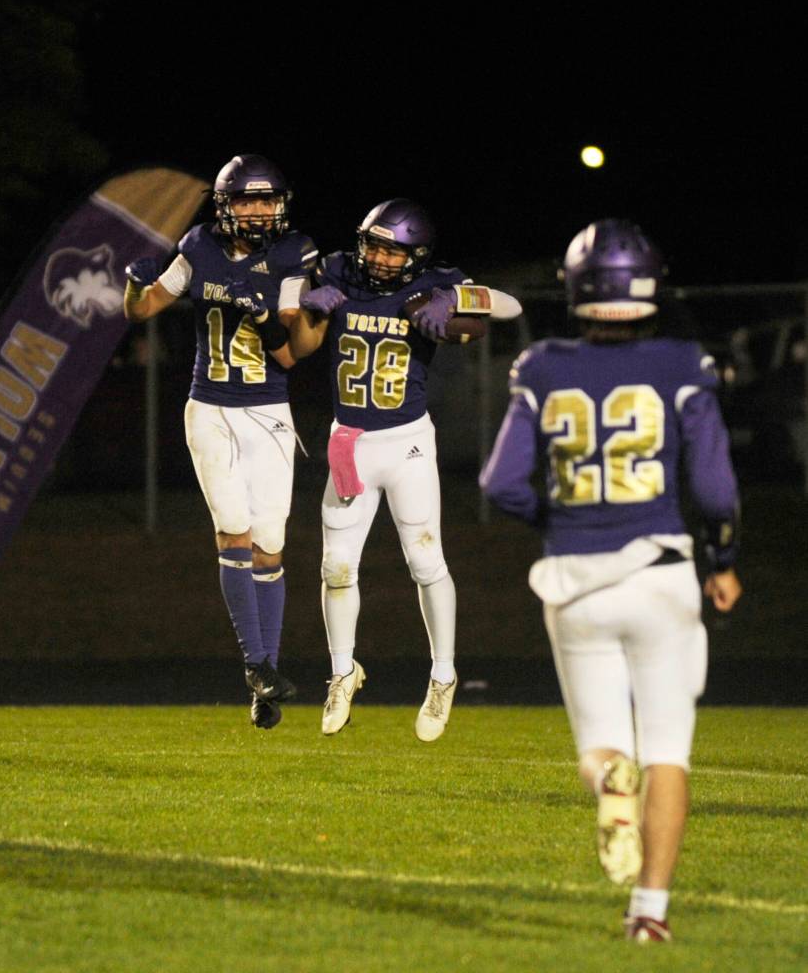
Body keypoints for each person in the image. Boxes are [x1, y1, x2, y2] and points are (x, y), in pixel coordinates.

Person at [479, 218, 742, 942]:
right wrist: (722, 563)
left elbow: (500, 482)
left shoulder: (539, 365)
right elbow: (715, 490)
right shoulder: (683, 361)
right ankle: (649, 916)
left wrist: (559, 520)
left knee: (603, 749)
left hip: (575, 583)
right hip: (661, 572)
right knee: (667, 753)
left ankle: (609, 789)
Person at [289, 198, 521, 740]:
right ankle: (342, 671)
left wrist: (450, 306)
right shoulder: (339, 269)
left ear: (416, 256)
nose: (377, 258)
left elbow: (504, 308)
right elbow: (294, 308)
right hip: (348, 441)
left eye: (392, 251)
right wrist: (308, 305)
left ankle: (443, 676)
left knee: (425, 562)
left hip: (407, 442)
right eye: (372, 244)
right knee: (335, 567)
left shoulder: (435, 281)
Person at [124, 154, 317, 730]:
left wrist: (263, 318)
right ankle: (257, 664)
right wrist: (135, 287)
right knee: (233, 528)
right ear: (225, 205)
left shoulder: (292, 252)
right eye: (246, 199)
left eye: (266, 199)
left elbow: (287, 354)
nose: (257, 210)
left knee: (271, 543)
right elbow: (145, 308)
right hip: (209, 405)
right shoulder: (201, 246)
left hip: (268, 409)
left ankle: (266, 680)